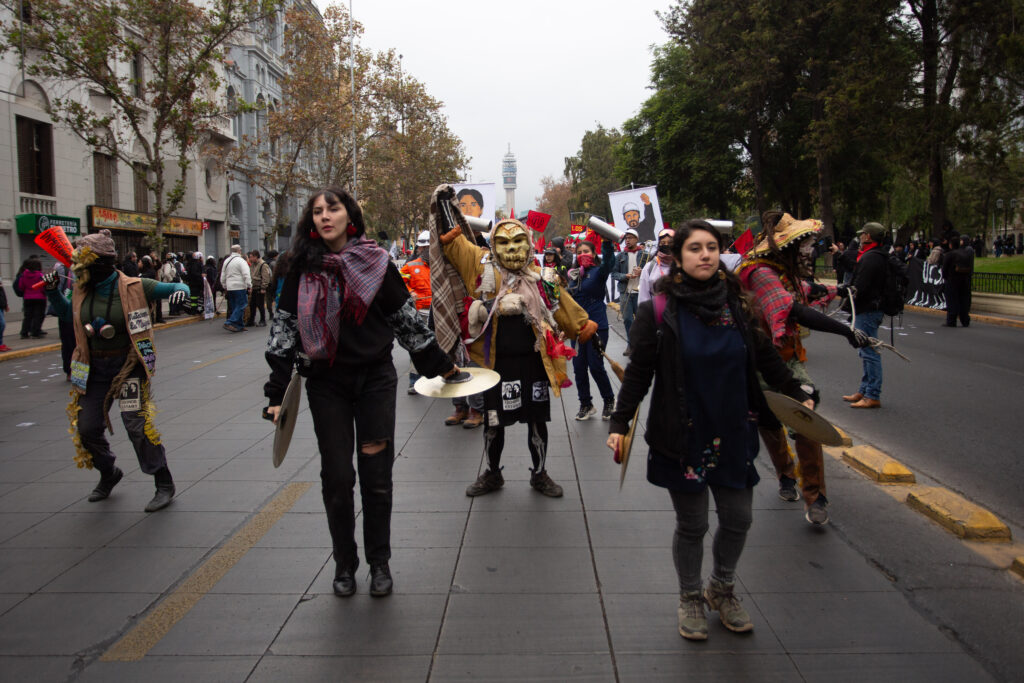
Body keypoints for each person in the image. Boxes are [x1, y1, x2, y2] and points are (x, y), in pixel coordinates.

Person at [607, 220, 812, 641]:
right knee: (693, 524)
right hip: (681, 437)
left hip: (734, 431)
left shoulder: (740, 306)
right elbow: (639, 372)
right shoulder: (657, 311)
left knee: (739, 519)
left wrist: (798, 389)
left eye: (712, 247)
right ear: (678, 257)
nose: (705, 255)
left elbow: (767, 361)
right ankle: (690, 597)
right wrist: (619, 422)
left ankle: (721, 587)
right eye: (695, 248)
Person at [264, 186, 460, 598]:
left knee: (376, 478)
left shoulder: (375, 261)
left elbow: (405, 321)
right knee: (337, 478)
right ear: (310, 221)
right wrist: (276, 392)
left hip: (374, 381)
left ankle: (379, 561)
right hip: (325, 383)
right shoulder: (298, 267)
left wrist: (442, 367)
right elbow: (284, 328)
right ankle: (344, 563)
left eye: (332, 208)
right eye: (317, 211)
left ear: (349, 214)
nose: (324, 216)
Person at [432, 186, 597, 499]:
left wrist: (582, 325)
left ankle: (539, 474)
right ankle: (493, 474)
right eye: (504, 242)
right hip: (494, 365)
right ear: (493, 245)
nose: (511, 249)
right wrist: (444, 205)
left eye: (518, 241)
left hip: (534, 363)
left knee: (537, 420)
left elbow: (562, 305)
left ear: (529, 244)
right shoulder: (480, 268)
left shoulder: (541, 277)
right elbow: (455, 243)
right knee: (493, 422)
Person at [42, 229, 190, 512]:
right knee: (86, 428)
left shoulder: (135, 286)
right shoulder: (81, 289)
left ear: (101, 265)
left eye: (83, 265)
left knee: (136, 424)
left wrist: (180, 294)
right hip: (93, 367)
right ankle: (108, 471)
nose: (78, 270)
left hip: (128, 367)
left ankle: (163, 481)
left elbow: (177, 288)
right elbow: (65, 313)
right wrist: (52, 292)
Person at [737, 212, 869, 523]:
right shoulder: (760, 274)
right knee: (768, 422)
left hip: (787, 359)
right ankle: (785, 475)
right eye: (806, 245)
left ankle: (815, 496)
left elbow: (804, 292)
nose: (812, 250)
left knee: (806, 418)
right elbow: (790, 307)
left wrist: (837, 290)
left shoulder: (784, 272)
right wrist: (845, 329)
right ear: (789, 247)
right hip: (758, 360)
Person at [841, 222, 890, 409]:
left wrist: (847, 291)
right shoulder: (875, 255)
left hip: (868, 309)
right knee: (865, 351)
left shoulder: (871, 258)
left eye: (862, 234)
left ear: (868, 236)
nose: (860, 237)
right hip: (868, 308)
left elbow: (861, 285)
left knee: (869, 352)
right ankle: (865, 389)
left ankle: (872, 394)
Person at [567, 238, 617, 421]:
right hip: (577, 328)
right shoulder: (572, 275)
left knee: (596, 366)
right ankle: (585, 404)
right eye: (579, 253)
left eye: (586, 251)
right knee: (579, 368)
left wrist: (607, 242)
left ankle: (609, 400)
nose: (582, 255)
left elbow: (610, 262)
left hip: (597, 325)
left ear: (594, 254)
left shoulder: (599, 272)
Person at [399, 231, 434, 394]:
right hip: (419, 311)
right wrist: (409, 291)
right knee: (418, 345)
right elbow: (399, 280)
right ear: (420, 248)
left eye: (429, 247)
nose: (427, 250)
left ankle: (440, 376)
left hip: (437, 310)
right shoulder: (411, 266)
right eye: (424, 247)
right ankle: (415, 381)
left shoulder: (440, 265)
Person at [613, 228, 651, 354]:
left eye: (630, 238)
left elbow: (652, 272)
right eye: (626, 238)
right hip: (625, 292)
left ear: (637, 239)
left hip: (641, 292)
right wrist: (626, 276)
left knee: (642, 320)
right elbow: (614, 274)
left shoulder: (646, 255)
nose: (627, 240)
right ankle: (631, 344)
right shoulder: (620, 256)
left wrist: (643, 272)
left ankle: (643, 343)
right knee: (628, 319)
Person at [942, 234, 974, 327]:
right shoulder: (966, 253)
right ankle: (965, 320)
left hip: (952, 280)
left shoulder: (950, 254)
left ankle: (952, 320)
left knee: (952, 301)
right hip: (964, 280)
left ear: (951, 245)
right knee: (963, 300)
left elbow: (945, 269)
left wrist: (946, 278)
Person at [638, 228, 675, 305]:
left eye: (670, 243)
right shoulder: (649, 267)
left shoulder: (684, 265)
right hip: (657, 313)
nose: (666, 245)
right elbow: (643, 297)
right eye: (663, 243)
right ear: (659, 244)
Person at [220, 245, 251, 332]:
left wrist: (224, 285)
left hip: (230, 287)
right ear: (239, 251)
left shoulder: (226, 261)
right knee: (242, 305)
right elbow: (246, 274)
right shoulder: (241, 261)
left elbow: (223, 274)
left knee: (235, 306)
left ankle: (239, 325)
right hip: (240, 286)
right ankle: (230, 322)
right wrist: (249, 285)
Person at [16, 257, 47, 338]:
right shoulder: (40, 275)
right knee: (38, 315)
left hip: (27, 297)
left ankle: (24, 332)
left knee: (28, 316)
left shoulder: (24, 275)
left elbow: (21, 286)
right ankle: (35, 332)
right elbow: (44, 287)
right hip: (40, 297)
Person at [245, 250, 271, 327]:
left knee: (260, 305)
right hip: (254, 287)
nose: (250, 259)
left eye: (251, 257)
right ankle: (251, 320)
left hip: (260, 287)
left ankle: (263, 320)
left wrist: (263, 287)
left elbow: (265, 277)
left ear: (256, 256)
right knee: (252, 305)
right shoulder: (253, 264)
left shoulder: (263, 264)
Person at [0, 274, 8, 352]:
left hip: (1, 305)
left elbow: (3, 293)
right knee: (1, 324)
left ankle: (1, 343)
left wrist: (5, 304)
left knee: (1, 324)